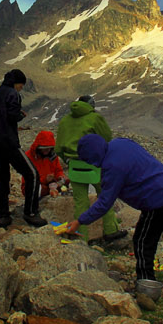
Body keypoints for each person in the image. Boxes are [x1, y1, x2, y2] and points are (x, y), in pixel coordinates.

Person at [61, 134, 163, 289]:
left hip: (155, 200)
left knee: (142, 241)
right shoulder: (119, 143)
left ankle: (146, 283)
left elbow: (104, 203)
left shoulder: (113, 167)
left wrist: (80, 221)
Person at [0, 68, 45, 227]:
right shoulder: (13, 94)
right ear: (17, 83)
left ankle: (3, 214)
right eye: (21, 85)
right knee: (32, 174)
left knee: (2, 176)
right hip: (8, 140)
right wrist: (20, 115)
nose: (21, 88)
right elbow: (13, 116)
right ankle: (31, 213)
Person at [55, 96, 126, 242]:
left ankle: (82, 238)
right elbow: (106, 138)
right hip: (94, 165)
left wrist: (67, 160)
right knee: (105, 197)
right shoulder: (95, 118)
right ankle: (110, 230)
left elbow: (58, 147)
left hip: (74, 166)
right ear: (91, 105)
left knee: (81, 202)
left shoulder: (65, 120)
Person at [23, 130, 69, 199]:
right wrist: (45, 180)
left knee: (67, 181)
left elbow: (58, 170)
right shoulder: (29, 156)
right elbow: (28, 178)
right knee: (37, 189)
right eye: (44, 149)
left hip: (51, 184)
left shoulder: (52, 156)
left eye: (49, 148)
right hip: (36, 185)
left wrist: (60, 176)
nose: (47, 151)